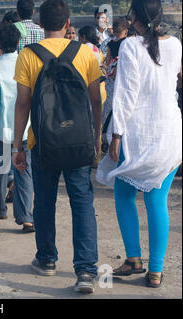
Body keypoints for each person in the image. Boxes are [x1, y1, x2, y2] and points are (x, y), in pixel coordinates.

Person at [12, 0, 103, 294]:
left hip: (44, 142)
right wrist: (97, 137)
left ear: (40, 24)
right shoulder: (86, 53)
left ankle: (47, 259)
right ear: (67, 24)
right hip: (79, 141)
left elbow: (23, 103)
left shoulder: (28, 55)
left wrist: (18, 145)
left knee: (44, 201)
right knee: (82, 203)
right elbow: (96, 100)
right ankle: (86, 271)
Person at [96, 0, 182, 289]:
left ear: (133, 17)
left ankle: (134, 258)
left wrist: (115, 135)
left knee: (124, 194)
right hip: (170, 133)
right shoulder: (176, 45)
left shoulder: (131, 46)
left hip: (138, 134)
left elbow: (125, 95)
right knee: (157, 200)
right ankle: (154, 271)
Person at [0, 23, 34, 233]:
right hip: (27, 128)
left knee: (1, 170)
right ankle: (26, 217)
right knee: (25, 173)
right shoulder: (27, 65)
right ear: (18, 42)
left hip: (3, 130)